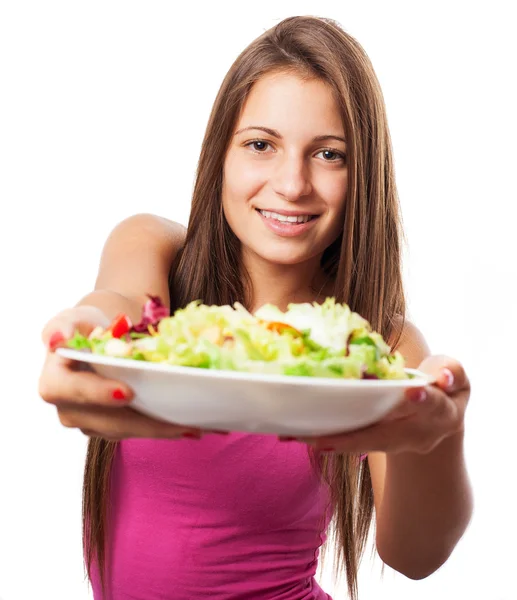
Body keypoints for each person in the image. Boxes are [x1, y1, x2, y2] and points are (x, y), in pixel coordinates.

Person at [38, 15, 473, 600]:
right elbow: (119, 305)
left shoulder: (380, 348)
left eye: (329, 154)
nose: (292, 184)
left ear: (361, 174)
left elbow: (415, 556)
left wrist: (440, 436)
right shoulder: (154, 248)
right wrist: (87, 331)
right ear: (222, 152)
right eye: (261, 145)